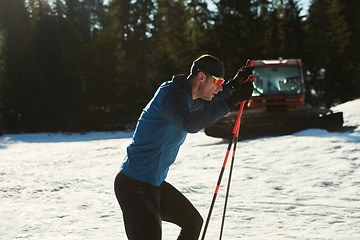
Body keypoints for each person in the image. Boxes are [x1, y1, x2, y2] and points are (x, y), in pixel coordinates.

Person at [114, 54, 254, 240]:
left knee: (192, 222)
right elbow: (189, 123)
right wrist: (233, 99)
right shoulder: (172, 95)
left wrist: (234, 84)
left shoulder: (188, 98)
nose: (220, 86)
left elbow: (208, 102)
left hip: (152, 184)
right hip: (135, 185)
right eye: (218, 81)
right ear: (202, 77)